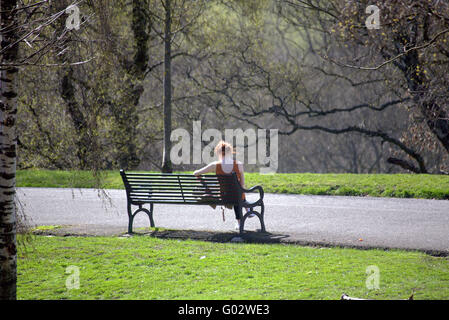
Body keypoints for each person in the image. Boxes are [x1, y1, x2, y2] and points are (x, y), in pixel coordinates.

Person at [193, 141, 252, 229]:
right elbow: (242, 185)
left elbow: (196, 173)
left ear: (218, 152)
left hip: (224, 196)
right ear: (230, 152)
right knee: (238, 191)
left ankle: (246, 211)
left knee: (233, 192)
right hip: (237, 197)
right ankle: (245, 213)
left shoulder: (214, 165)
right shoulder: (239, 165)